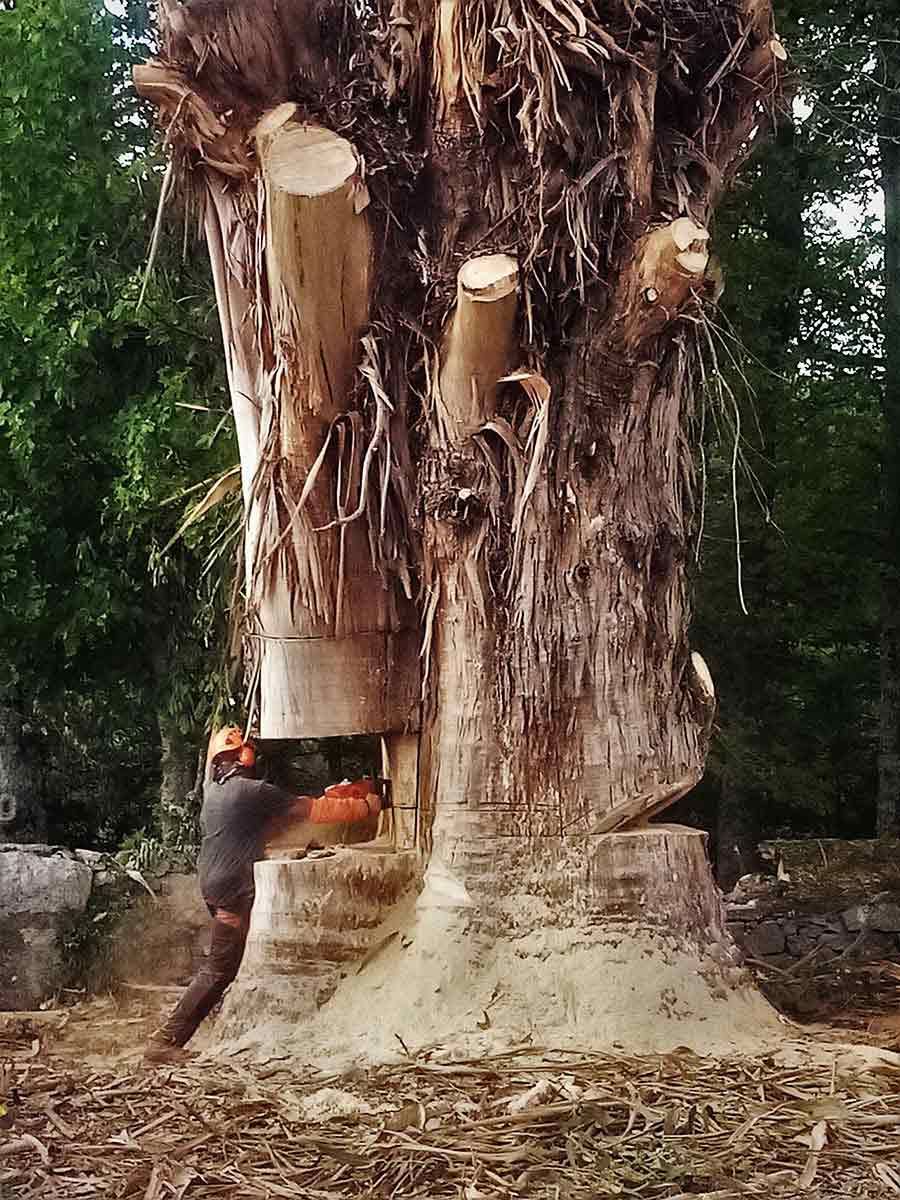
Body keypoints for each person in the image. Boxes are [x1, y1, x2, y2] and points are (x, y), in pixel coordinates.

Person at [143, 726, 390, 1065]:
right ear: (242, 757)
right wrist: (365, 806)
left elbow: (281, 819)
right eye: (250, 751)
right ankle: (164, 1042)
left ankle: (173, 1036)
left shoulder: (217, 791)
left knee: (225, 966)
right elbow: (311, 811)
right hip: (231, 888)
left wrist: (339, 795)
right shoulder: (250, 791)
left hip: (214, 883)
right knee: (219, 968)